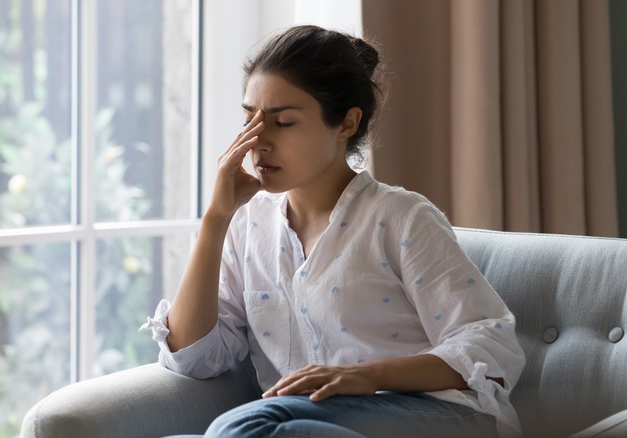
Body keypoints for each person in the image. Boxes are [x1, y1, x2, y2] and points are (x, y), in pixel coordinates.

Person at [141, 25, 525, 438]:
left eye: (282, 122)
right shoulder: (248, 227)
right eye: (248, 119)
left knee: (250, 426)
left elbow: (492, 346)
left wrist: (366, 376)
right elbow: (193, 358)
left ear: (346, 123)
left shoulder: (400, 217)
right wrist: (216, 219)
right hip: (314, 424)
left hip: (438, 416)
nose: (256, 141)